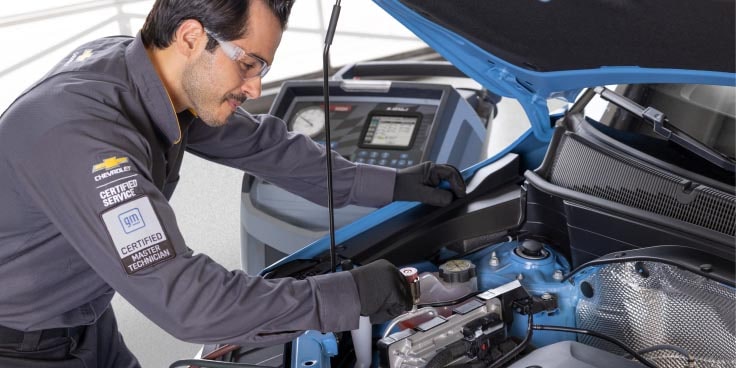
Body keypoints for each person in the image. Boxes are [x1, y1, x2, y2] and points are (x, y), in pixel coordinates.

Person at [0, 0, 466, 366]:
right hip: (19, 350)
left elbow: (264, 144)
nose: (256, 89)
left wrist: (391, 184)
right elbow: (188, 302)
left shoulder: (150, 73)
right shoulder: (80, 135)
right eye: (249, 64)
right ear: (189, 36)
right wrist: (346, 295)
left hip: (88, 321)